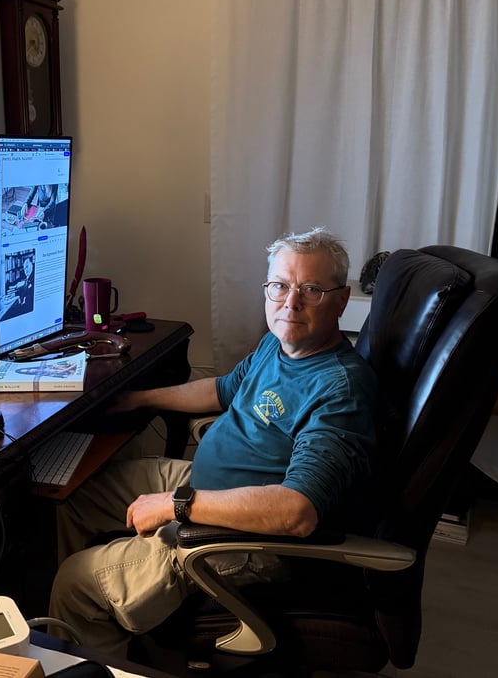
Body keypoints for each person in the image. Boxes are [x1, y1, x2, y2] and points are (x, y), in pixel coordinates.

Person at [48, 228, 378, 658]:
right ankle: (106, 618)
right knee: (75, 496)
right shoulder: (277, 344)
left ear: (342, 299)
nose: (290, 303)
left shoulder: (339, 390)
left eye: (311, 290)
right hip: (205, 488)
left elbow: (297, 512)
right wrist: (138, 398)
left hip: (246, 535)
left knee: (75, 583)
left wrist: (175, 505)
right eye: (280, 286)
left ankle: (94, 616)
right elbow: (222, 390)